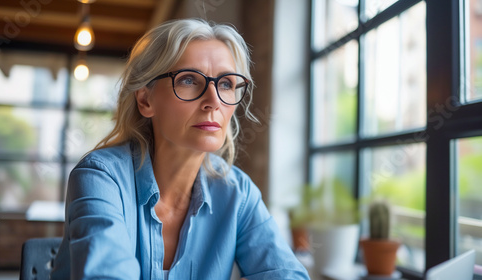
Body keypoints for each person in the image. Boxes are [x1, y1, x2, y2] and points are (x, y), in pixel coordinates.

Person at [51, 18, 310, 280]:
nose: (213, 101)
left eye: (226, 84)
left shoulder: (237, 193)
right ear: (145, 100)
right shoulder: (100, 177)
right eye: (189, 80)